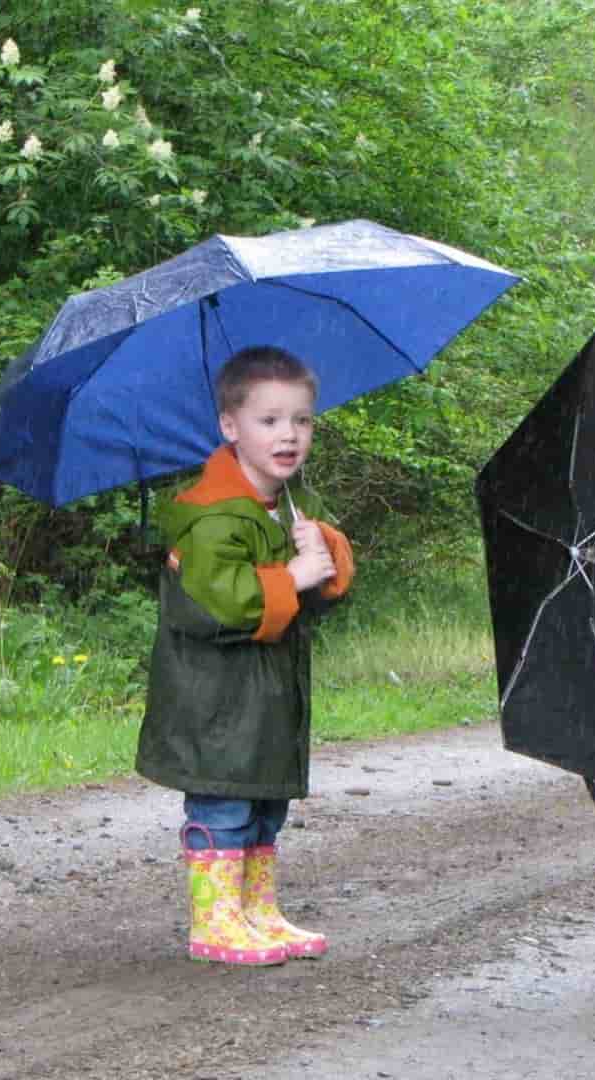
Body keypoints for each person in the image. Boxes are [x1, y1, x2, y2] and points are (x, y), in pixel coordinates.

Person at [136, 345, 355, 966]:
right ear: (230, 426)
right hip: (216, 698)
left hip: (265, 696)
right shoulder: (211, 516)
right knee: (224, 801)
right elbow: (216, 606)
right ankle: (215, 919)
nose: (289, 435)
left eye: (302, 420)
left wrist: (325, 554)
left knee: (263, 803)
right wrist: (290, 576)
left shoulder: (281, 506)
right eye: (269, 421)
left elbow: (317, 594)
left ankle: (257, 910)